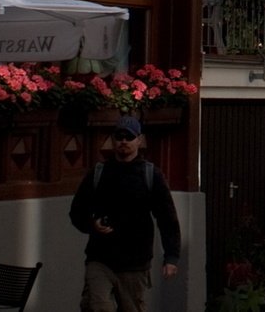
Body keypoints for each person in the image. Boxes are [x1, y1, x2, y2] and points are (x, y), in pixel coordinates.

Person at [69, 115, 181, 312]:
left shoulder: (150, 174)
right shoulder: (99, 172)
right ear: (113, 140)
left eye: (129, 137)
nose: (123, 141)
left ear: (139, 140)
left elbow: (167, 218)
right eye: (119, 137)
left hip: (135, 262)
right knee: (98, 306)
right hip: (100, 258)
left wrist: (171, 256)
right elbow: (77, 211)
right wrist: (92, 224)